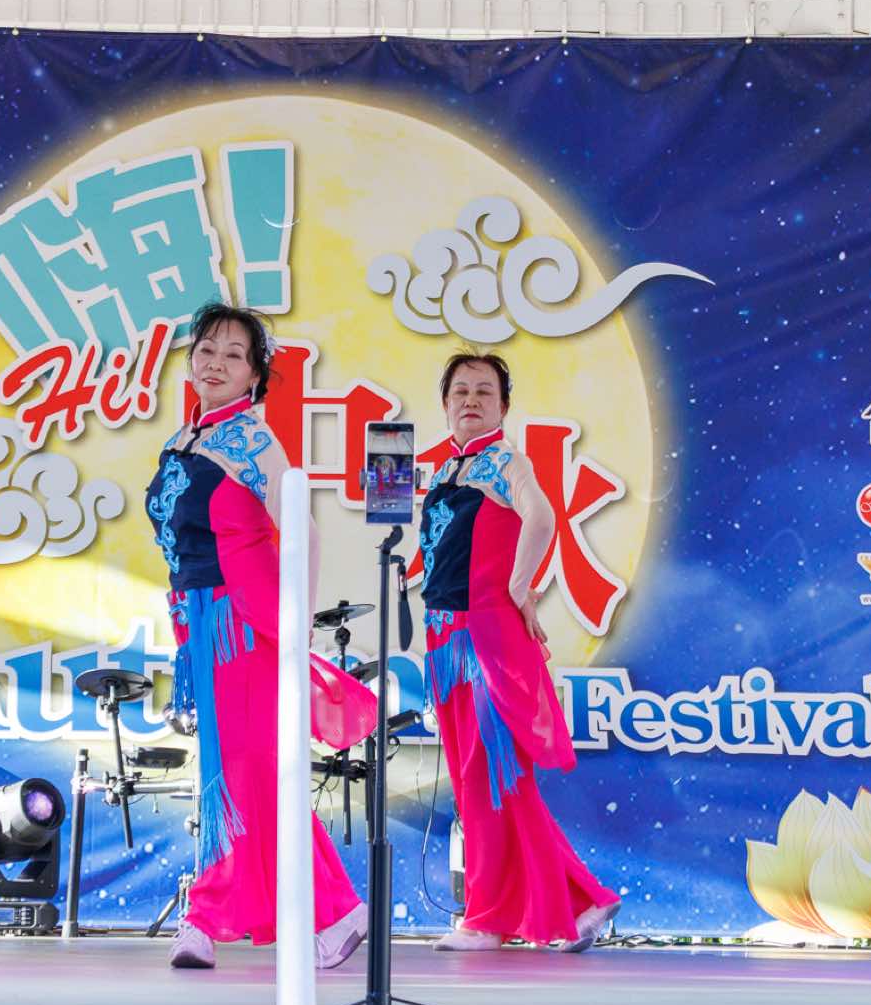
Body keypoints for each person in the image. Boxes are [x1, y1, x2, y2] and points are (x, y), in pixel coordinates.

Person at [143, 302, 376, 970]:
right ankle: (262, 914)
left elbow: (305, 532)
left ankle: (227, 917)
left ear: (255, 375)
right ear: (191, 361)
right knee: (234, 778)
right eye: (206, 350)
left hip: (242, 627)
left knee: (250, 775)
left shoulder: (251, 440)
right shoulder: (187, 438)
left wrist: (296, 628)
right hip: (201, 625)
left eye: (234, 355)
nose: (216, 363)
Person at [420, 352, 619, 952]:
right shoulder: (449, 468)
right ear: (445, 403)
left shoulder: (504, 459)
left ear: (504, 406)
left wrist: (518, 585)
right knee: (486, 782)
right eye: (460, 390)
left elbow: (542, 517)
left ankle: (490, 918)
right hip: (447, 640)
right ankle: (579, 903)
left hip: (484, 639)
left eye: (485, 391)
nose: (471, 400)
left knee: (492, 779)